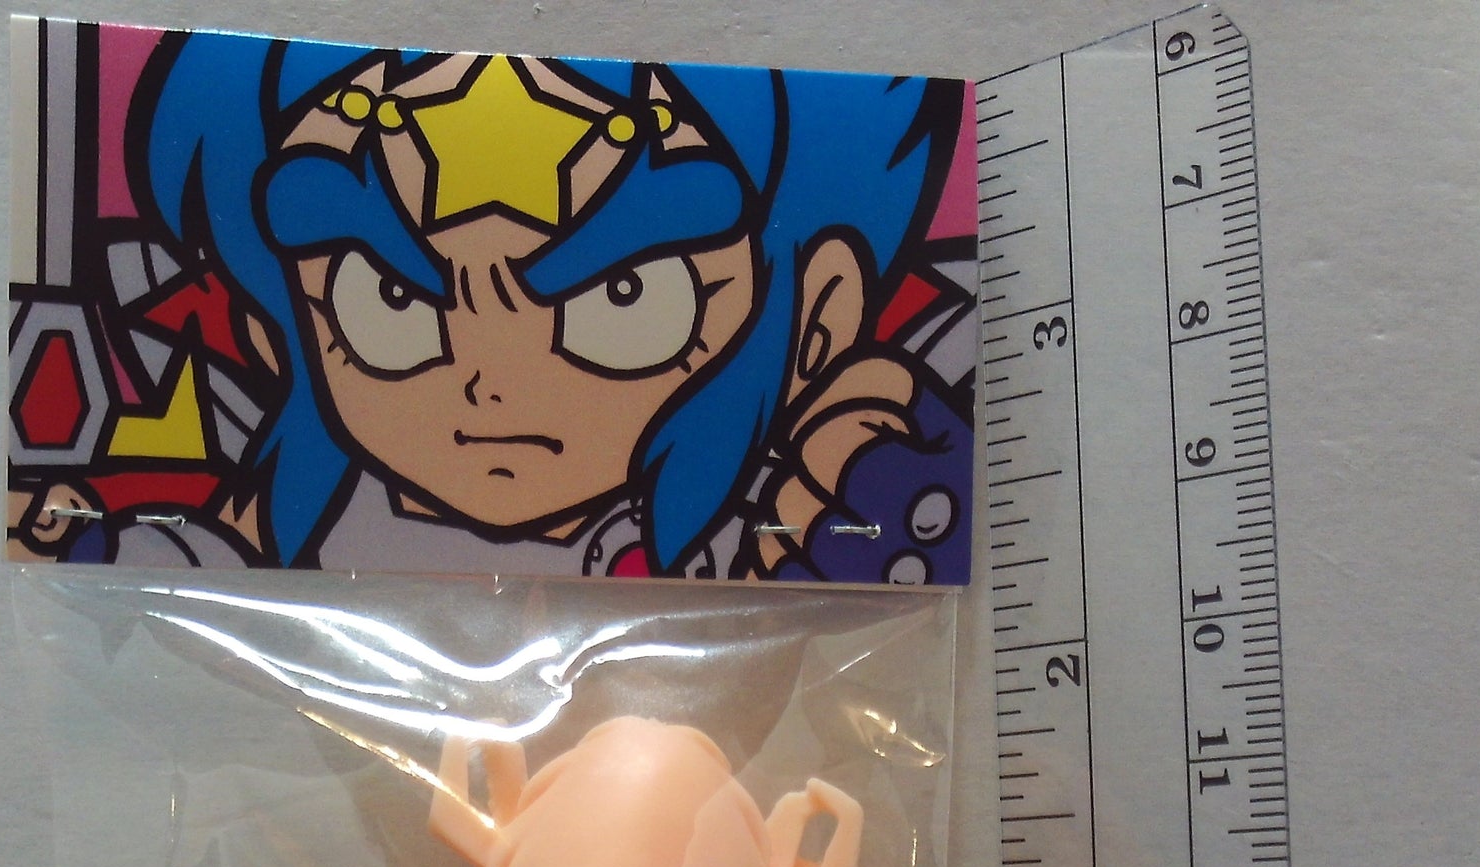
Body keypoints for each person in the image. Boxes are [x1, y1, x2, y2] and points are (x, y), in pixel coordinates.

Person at [75, 32, 973, 582]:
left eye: (624, 297)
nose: (490, 385)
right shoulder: (294, 522)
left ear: (816, 320)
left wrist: (885, 489)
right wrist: (96, 549)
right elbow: (186, 569)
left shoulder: (763, 531)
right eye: (392, 299)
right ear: (275, 326)